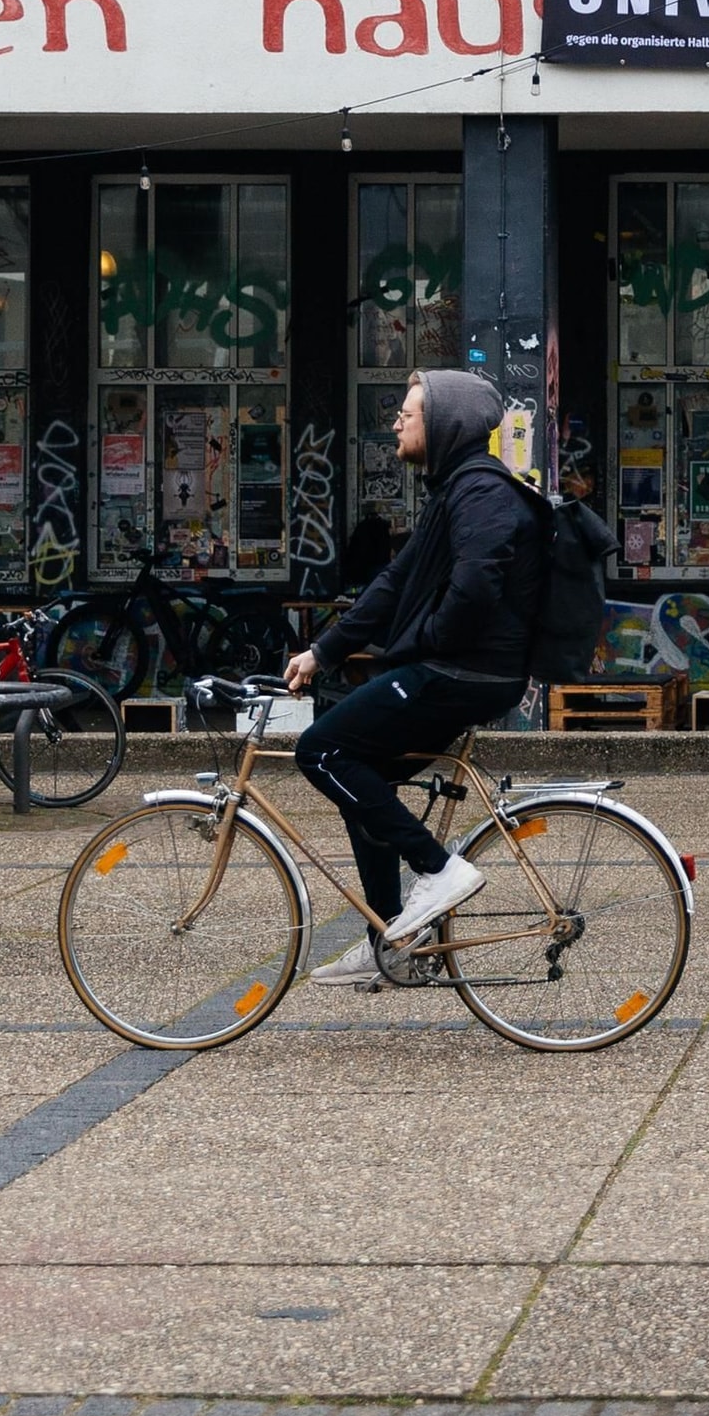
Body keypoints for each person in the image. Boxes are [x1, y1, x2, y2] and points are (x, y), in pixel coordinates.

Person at [285, 369, 542, 984]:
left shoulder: (482, 492)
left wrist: (425, 643)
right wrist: (323, 652)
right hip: (455, 666)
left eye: (409, 413)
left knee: (319, 750)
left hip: (465, 671)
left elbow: (477, 585)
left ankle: (439, 869)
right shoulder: (453, 490)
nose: (397, 422)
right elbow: (394, 583)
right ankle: (390, 939)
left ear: (445, 424)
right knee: (360, 781)